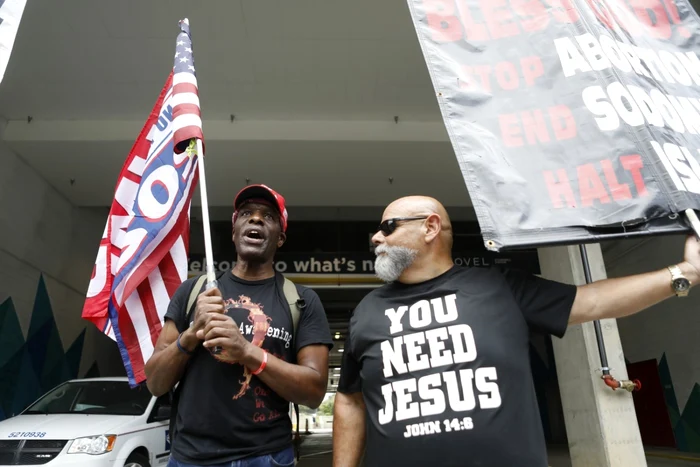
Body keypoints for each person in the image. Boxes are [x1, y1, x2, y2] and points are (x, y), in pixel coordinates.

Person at [332, 195, 700, 467]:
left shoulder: (500, 288)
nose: (376, 238)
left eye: (388, 226)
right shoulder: (367, 310)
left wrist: (685, 273)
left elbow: (593, 302)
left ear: (430, 227)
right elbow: (349, 398)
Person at [145, 184, 333, 467]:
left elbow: (314, 392)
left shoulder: (302, 300)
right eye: (246, 213)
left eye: (268, 216)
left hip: (267, 457)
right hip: (191, 458)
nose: (256, 219)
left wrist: (247, 351)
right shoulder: (192, 293)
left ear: (280, 238)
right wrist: (192, 334)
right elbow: (156, 383)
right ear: (234, 232)